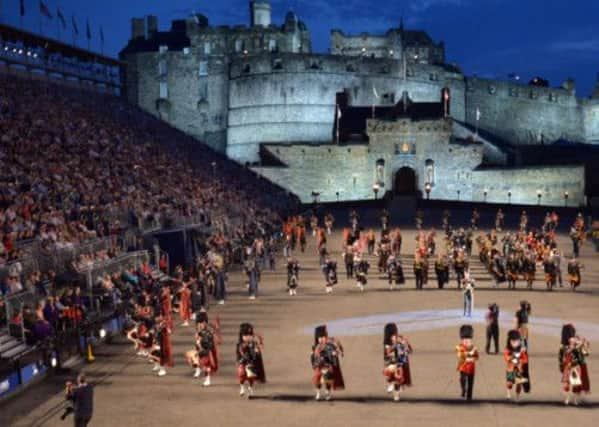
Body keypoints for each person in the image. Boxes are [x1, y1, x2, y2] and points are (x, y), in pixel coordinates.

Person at [559, 324, 591, 405]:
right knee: (570, 383)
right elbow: (567, 352)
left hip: (573, 365)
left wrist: (584, 345)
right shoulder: (570, 343)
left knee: (573, 383)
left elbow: (585, 353)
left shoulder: (571, 342)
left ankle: (571, 399)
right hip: (572, 365)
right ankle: (570, 399)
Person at [311, 325, 344, 401]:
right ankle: (318, 393)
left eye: (323, 337)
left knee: (328, 379)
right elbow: (314, 357)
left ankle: (327, 393)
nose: (321, 339)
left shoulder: (331, 343)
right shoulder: (316, 346)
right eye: (320, 337)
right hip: (319, 365)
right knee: (317, 378)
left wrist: (337, 353)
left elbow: (336, 349)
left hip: (328, 365)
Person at [185, 311, 219, 386]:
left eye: (202, 323)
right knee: (189, 356)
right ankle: (198, 369)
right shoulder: (199, 330)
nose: (200, 325)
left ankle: (208, 379)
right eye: (199, 323)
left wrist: (199, 346)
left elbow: (208, 347)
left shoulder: (208, 334)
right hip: (200, 350)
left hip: (206, 352)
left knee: (206, 365)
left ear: (205, 323)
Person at [383, 323, 413, 402]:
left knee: (396, 378)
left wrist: (404, 345)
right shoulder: (388, 343)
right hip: (394, 362)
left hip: (398, 362)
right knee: (395, 377)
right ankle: (395, 390)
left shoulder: (400, 339)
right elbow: (388, 353)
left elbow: (409, 350)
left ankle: (395, 390)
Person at [236, 323, 266, 398]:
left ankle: (250, 388)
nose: (248, 337)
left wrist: (260, 341)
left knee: (251, 376)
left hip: (251, 362)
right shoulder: (240, 344)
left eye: (250, 335)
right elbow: (241, 351)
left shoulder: (253, 343)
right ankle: (242, 386)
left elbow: (260, 349)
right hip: (243, 362)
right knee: (242, 374)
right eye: (246, 335)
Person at [504, 329, 530, 401]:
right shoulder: (507, 349)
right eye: (513, 341)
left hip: (519, 369)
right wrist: (512, 358)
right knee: (509, 383)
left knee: (519, 384)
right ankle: (508, 393)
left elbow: (525, 359)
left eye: (516, 341)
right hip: (510, 369)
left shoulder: (522, 350)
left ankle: (517, 396)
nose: (514, 343)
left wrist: (521, 361)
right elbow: (506, 357)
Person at [456, 324, 479, 401]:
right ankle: (463, 389)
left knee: (470, 382)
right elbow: (460, 354)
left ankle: (469, 396)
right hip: (463, 367)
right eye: (464, 339)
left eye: (468, 340)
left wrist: (473, 358)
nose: (466, 341)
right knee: (462, 380)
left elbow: (477, 356)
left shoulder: (474, 348)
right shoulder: (459, 347)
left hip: (471, 368)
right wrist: (466, 355)